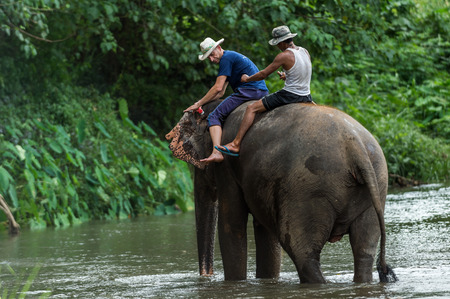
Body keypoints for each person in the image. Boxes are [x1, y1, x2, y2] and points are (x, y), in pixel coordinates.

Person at [216, 25, 313, 156]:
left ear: (282, 42)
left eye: (277, 44)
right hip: (306, 95)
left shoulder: (284, 55)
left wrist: (247, 79)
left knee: (251, 108)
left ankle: (235, 144)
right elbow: (304, 71)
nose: (277, 47)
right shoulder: (304, 51)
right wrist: (286, 76)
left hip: (290, 95)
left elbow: (263, 74)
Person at [184, 37, 269, 163]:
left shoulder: (226, 59)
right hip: (261, 91)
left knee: (214, 117)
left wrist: (198, 103)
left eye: (212, 55)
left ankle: (216, 152)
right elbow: (221, 92)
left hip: (248, 91)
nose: (212, 59)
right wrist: (203, 102)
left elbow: (217, 88)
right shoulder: (230, 57)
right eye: (208, 58)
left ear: (218, 48)